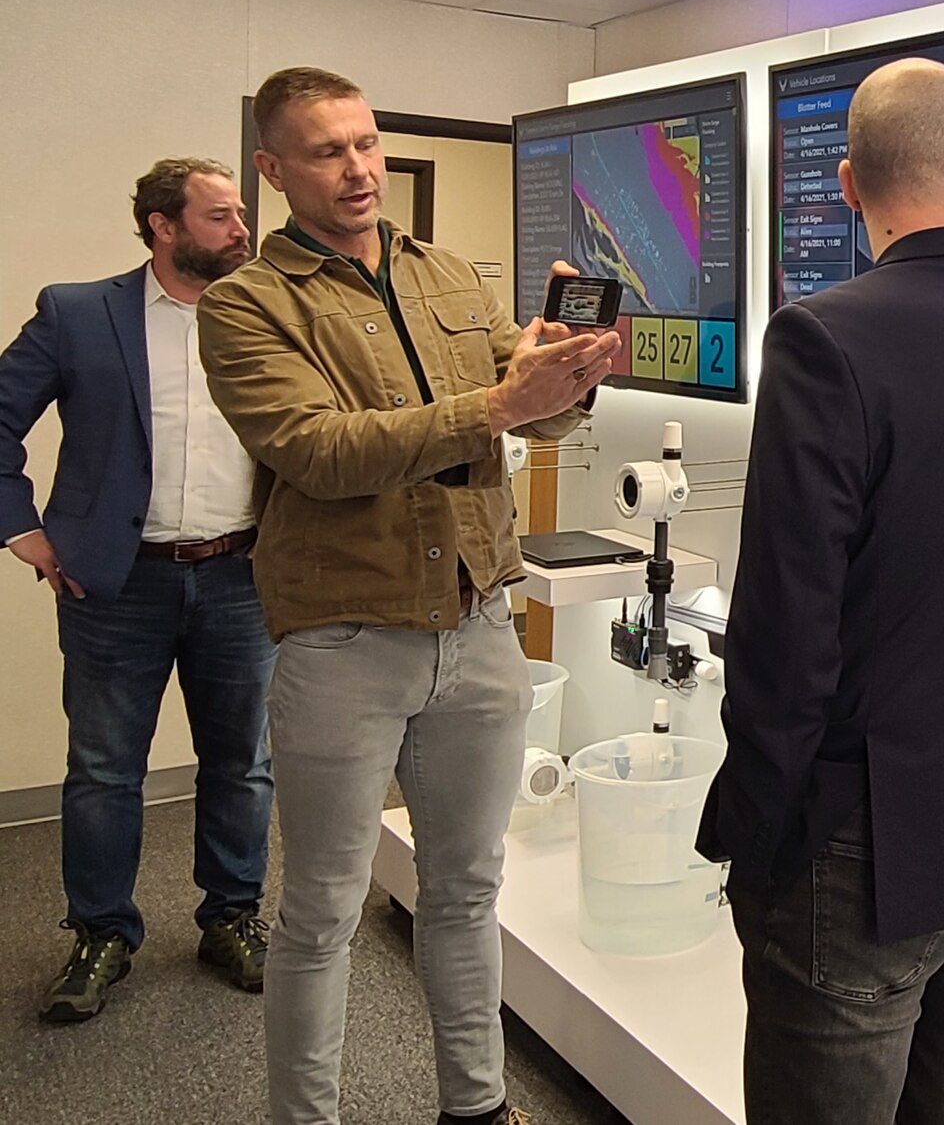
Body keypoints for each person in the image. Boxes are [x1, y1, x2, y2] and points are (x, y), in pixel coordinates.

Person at [197, 67, 618, 1125]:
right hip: (343, 640)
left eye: (367, 144)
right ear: (273, 167)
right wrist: (496, 401)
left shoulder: (447, 278)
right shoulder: (250, 303)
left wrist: (564, 379)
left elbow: (529, 421)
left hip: (477, 625)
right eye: (328, 151)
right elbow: (317, 451)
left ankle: (474, 1107)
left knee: (467, 892)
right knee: (322, 911)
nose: (358, 169)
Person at [698, 58, 944, 1125]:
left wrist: (758, 835)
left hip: (867, 843)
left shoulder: (822, 339)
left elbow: (787, 627)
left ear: (844, 183)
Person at [0, 158, 274, 1024]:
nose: (241, 230)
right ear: (162, 225)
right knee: (104, 772)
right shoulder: (77, 312)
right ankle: (101, 934)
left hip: (241, 575)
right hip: (114, 583)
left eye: (241, 214)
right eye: (221, 216)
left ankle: (230, 916)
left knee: (242, 763)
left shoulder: (271, 314)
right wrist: (24, 530)